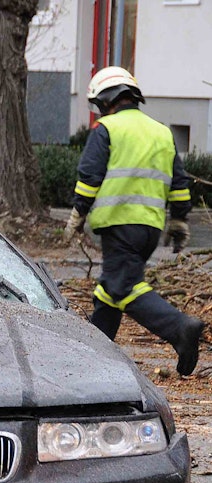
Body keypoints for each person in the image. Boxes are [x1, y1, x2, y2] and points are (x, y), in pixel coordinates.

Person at [64, 66, 204, 375]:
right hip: (150, 228)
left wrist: (78, 213)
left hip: (119, 224)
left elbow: (89, 177)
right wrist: (179, 221)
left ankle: (180, 328)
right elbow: (180, 184)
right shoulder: (161, 132)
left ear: (105, 100)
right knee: (110, 288)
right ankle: (94, 350)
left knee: (123, 285)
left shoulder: (107, 129)